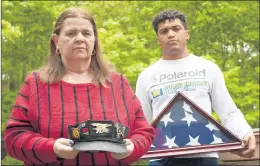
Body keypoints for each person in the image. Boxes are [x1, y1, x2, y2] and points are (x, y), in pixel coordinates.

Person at [4, 7, 155, 166]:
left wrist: (131, 148)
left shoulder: (119, 84)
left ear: (94, 41)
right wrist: (52, 148)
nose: (80, 38)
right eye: (71, 33)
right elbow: (14, 137)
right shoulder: (35, 83)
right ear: (56, 41)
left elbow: (144, 132)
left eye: (86, 33)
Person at [135, 9, 256, 166]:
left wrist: (245, 132)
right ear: (158, 39)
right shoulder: (146, 76)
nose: (171, 34)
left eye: (176, 29)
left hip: (205, 156)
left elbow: (228, 113)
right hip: (161, 158)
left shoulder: (208, 68)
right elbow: (142, 124)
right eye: (164, 31)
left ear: (187, 34)